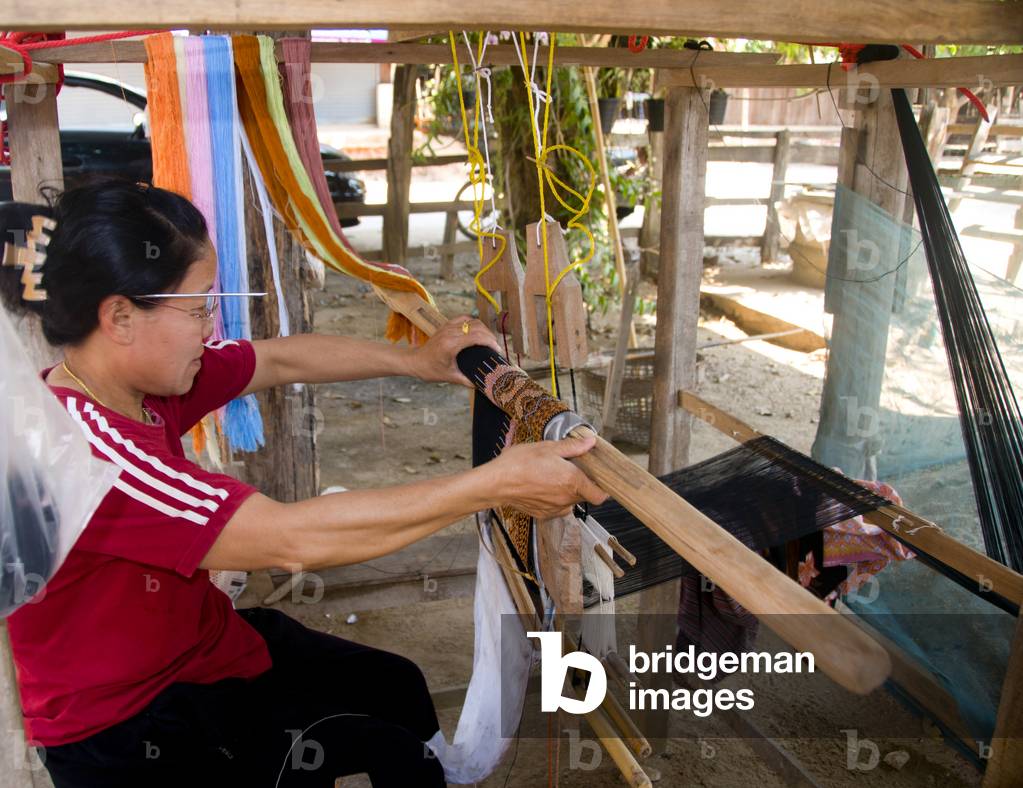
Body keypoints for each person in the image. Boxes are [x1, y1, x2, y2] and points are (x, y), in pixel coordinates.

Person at [0, 180, 606, 787]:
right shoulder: (90, 455)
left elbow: (275, 360)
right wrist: (493, 486)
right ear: (121, 317)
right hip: (129, 732)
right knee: (374, 753)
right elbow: (291, 541)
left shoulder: (133, 387)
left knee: (395, 688)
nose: (210, 326)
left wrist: (416, 361)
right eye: (198, 307)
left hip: (200, 653)